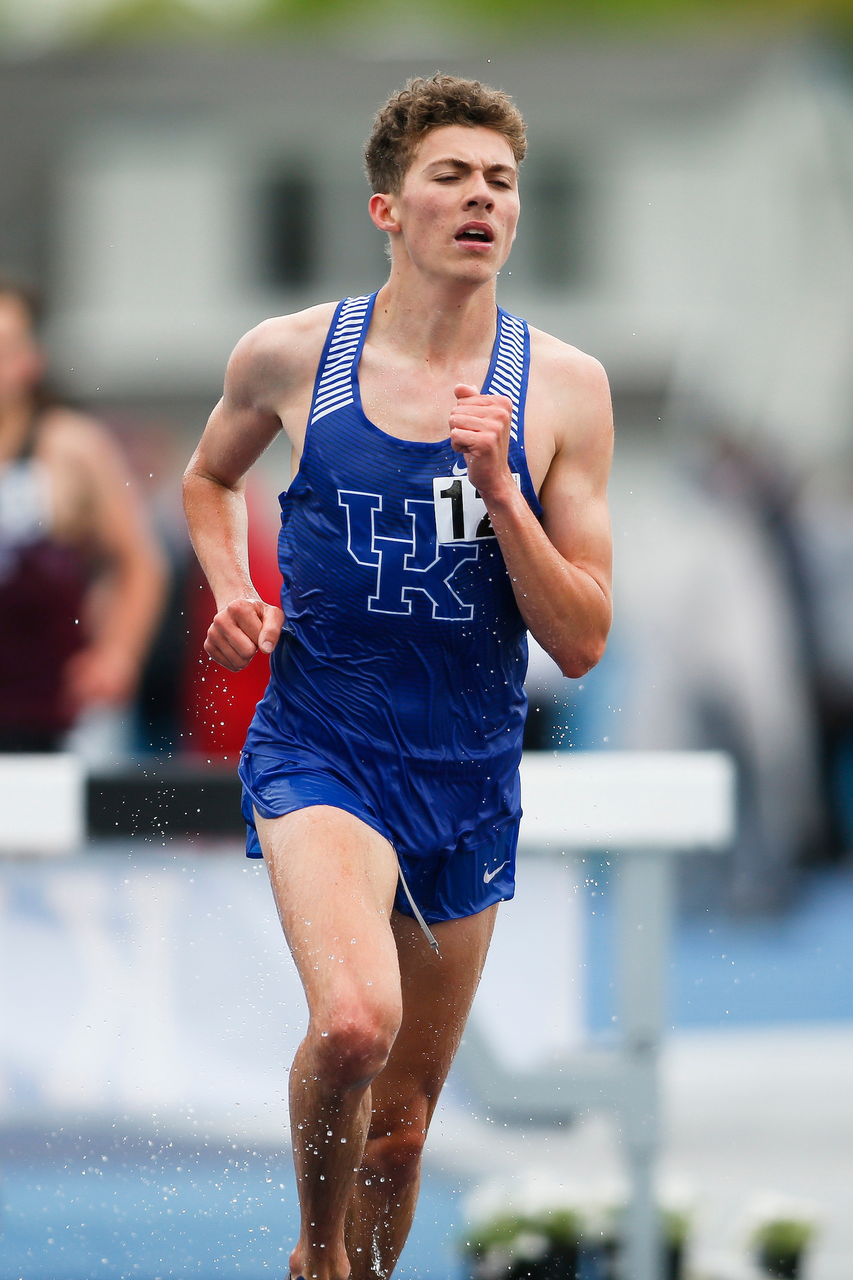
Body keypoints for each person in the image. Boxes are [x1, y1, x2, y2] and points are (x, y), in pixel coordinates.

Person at [183, 75, 613, 1280]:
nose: (482, 199)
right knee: (355, 1023)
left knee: (407, 1128)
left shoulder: (564, 387)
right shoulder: (290, 355)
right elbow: (207, 481)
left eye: (501, 182)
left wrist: (502, 497)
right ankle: (315, 1261)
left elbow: (580, 637)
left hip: (466, 771)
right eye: (452, 177)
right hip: (322, 743)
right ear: (388, 208)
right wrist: (228, 587)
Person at [0, 277, 166, 753]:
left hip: (51, 715)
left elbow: (139, 561)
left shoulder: (72, 447)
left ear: (31, 361)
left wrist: (118, 655)